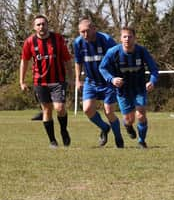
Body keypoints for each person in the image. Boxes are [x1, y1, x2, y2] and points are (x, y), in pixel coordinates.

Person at [99, 27, 159, 149]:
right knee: (128, 119)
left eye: (130, 36)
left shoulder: (141, 51)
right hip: (123, 91)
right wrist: (112, 79)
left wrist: (152, 81)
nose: (127, 39)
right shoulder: (113, 52)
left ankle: (141, 141)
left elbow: (153, 69)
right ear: (120, 38)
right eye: (125, 36)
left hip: (139, 88)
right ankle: (128, 126)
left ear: (134, 38)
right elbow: (102, 68)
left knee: (141, 113)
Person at [19, 15, 73, 148]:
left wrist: (71, 78)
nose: (41, 26)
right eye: (38, 24)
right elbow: (24, 61)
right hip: (40, 82)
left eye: (43, 24)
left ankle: (63, 130)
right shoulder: (29, 42)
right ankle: (52, 141)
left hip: (58, 80)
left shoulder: (58, 39)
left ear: (47, 25)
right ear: (34, 27)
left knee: (59, 108)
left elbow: (67, 59)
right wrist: (22, 81)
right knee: (47, 110)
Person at [73, 18, 124, 148]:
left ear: (94, 29)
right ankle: (104, 128)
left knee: (109, 112)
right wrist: (78, 80)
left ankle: (119, 139)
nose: (85, 35)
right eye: (82, 32)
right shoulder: (78, 43)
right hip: (91, 82)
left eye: (87, 31)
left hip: (108, 82)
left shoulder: (106, 40)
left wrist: (117, 78)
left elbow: (117, 59)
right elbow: (78, 62)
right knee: (87, 109)